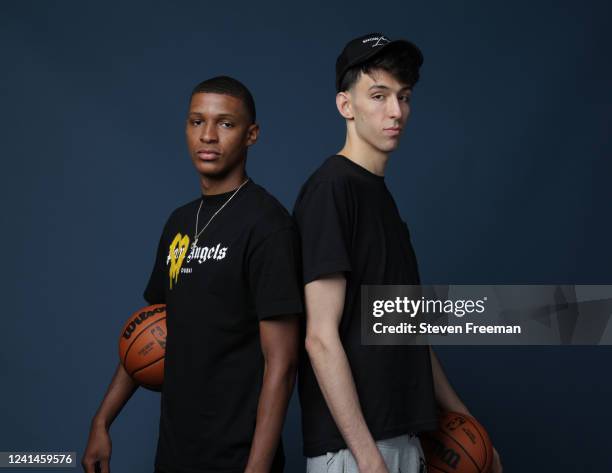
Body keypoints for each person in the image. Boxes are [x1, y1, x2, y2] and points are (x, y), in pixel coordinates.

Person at [293, 33, 503, 473]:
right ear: (345, 106)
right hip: (355, 452)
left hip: (405, 439)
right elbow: (319, 337)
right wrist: (368, 459)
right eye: (379, 95)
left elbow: (408, 327)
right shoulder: (332, 189)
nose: (396, 111)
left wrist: (469, 425)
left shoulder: (381, 198)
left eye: (404, 97)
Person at [82, 76, 303, 473]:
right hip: (173, 454)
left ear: (251, 134)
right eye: (197, 121)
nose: (208, 136)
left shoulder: (268, 226)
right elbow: (150, 331)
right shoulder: (179, 222)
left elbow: (282, 364)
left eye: (226, 124)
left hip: (237, 459)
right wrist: (102, 421)